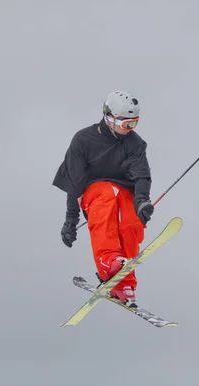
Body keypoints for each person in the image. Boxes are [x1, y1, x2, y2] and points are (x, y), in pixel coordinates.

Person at [52, 91, 154, 307]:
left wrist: (142, 202)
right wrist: (70, 221)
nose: (130, 129)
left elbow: (141, 175)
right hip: (95, 193)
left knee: (131, 222)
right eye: (127, 124)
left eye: (134, 123)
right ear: (110, 118)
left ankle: (124, 284)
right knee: (108, 194)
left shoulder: (134, 144)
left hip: (124, 192)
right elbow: (73, 181)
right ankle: (108, 262)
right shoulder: (83, 141)